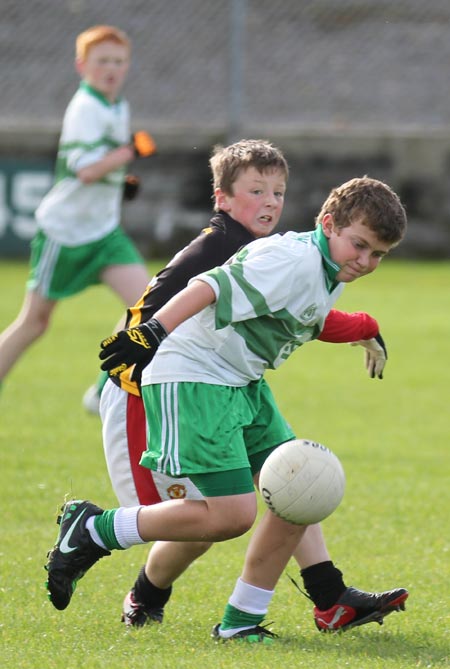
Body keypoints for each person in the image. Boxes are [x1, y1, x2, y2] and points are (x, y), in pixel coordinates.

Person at [45, 171, 409, 644]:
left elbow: (303, 315)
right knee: (231, 515)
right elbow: (211, 285)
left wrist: (362, 328)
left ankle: (248, 620)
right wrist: (153, 332)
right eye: (359, 246)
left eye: (377, 254)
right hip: (194, 376)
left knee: (298, 485)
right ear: (328, 223)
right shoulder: (291, 259)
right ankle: (93, 528)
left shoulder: (326, 267)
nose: (365, 261)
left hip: (240, 381)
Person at [0, 25, 151, 394]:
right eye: (102, 61)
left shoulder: (117, 105)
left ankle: (103, 387)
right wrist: (130, 151)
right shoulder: (85, 107)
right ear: (82, 65)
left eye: (118, 61)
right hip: (65, 232)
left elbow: (103, 166)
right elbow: (85, 170)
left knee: (148, 303)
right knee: (35, 322)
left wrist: (122, 179)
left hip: (103, 231)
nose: (111, 69)